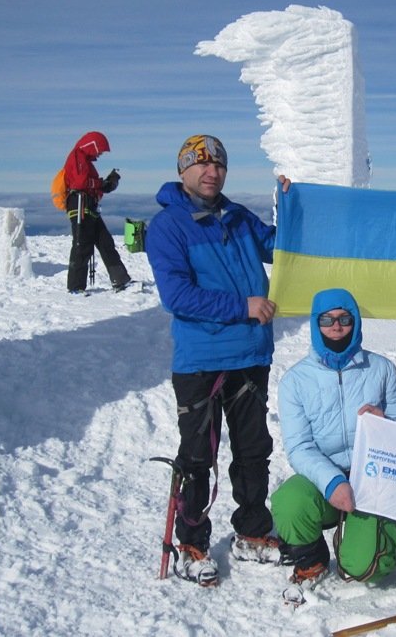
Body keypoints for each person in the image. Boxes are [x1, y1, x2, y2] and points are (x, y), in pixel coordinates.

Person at [146, 134, 290, 586]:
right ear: (183, 170)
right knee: (197, 455)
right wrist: (242, 307)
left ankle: (251, 530)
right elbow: (177, 296)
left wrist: (294, 206)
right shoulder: (169, 226)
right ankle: (193, 541)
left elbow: (282, 249)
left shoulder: (238, 217)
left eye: (219, 165)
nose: (212, 172)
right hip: (202, 361)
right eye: (201, 165)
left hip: (249, 356)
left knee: (253, 450)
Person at [271, 288, 396, 593]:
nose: (336, 325)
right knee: (289, 502)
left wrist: (386, 423)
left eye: (344, 318)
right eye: (327, 318)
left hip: (375, 478)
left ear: (356, 322)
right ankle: (312, 557)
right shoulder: (296, 381)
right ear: (316, 323)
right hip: (326, 479)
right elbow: (299, 447)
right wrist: (332, 482)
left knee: (364, 568)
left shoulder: (381, 369)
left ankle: (366, 537)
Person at [62, 131, 131, 294]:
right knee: (82, 245)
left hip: (88, 206)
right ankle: (75, 287)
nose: (99, 154)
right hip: (80, 205)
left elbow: (89, 184)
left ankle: (120, 279)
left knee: (105, 242)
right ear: (92, 146)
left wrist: (105, 184)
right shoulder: (78, 156)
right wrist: (103, 183)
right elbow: (81, 183)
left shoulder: (84, 160)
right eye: (99, 150)